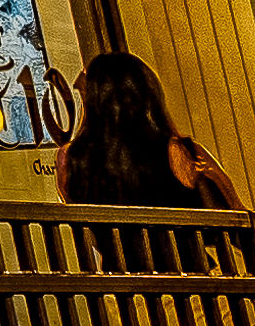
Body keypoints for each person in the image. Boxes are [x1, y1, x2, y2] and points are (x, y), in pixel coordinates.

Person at [61, 50, 244, 213]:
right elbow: (239, 220)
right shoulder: (177, 151)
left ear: (94, 101)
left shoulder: (71, 160)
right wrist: (213, 178)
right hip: (180, 251)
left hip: (118, 253)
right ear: (145, 96)